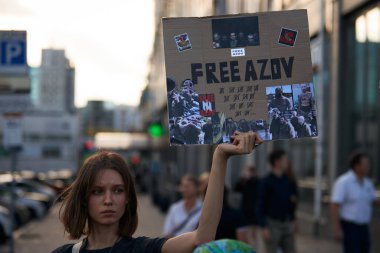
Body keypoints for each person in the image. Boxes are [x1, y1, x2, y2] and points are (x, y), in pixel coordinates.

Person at [51, 131, 262, 253]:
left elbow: (202, 238)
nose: (108, 200)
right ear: (83, 199)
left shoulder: (143, 249)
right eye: (97, 191)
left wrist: (220, 158)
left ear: (127, 199)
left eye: (117, 190)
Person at [331, 152, 379, 253]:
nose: (367, 167)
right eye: (365, 165)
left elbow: (373, 201)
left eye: (368, 164)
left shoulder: (368, 183)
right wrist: (337, 228)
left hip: (364, 227)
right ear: (356, 166)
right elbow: (335, 205)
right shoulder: (344, 182)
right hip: (350, 227)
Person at [256, 150, 297, 253]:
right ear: (277, 162)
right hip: (272, 224)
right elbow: (260, 205)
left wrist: (293, 219)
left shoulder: (288, 180)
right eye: (284, 160)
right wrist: (263, 227)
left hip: (287, 222)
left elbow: (292, 200)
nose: (287, 162)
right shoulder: (266, 182)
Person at [235, 165, 260, 247]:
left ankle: (254, 246)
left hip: (254, 208)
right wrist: (242, 179)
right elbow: (237, 188)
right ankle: (249, 245)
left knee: (254, 231)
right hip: (245, 209)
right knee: (246, 230)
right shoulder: (244, 181)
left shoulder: (256, 181)